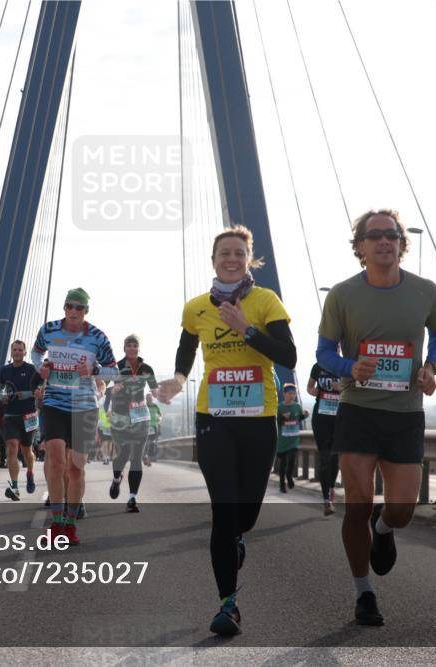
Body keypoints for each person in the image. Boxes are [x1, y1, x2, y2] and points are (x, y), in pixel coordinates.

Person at [156, 225, 296, 636]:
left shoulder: (267, 301)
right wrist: (178, 381)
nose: (231, 258)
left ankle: (238, 537)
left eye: (239, 253)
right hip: (214, 418)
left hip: (258, 418)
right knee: (223, 510)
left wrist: (246, 329)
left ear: (248, 258)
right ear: (214, 259)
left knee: (245, 514)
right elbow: (186, 352)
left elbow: (288, 354)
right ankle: (227, 605)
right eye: (224, 253)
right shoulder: (197, 308)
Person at [316, 209, 436, 626]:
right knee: (356, 506)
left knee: (404, 508)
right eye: (375, 236)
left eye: (391, 235)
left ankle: (385, 529)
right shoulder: (341, 294)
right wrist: (347, 368)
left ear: (401, 244)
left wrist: (432, 366)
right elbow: (324, 353)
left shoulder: (426, 291)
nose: (385, 241)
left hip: (405, 414)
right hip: (358, 411)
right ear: (360, 247)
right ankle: (364, 592)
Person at [32, 288, 117, 545]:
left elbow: (114, 372)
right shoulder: (49, 330)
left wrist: (94, 369)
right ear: (64, 308)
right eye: (70, 306)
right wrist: (41, 368)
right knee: (56, 463)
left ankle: (70, 524)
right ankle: (57, 524)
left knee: (76, 468)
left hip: (84, 407)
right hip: (54, 404)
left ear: (86, 311)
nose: (74, 311)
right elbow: (35, 353)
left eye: (79, 308)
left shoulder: (98, 337)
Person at [107, 334, 158, 512]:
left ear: (138, 348)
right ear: (124, 348)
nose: (132, 348)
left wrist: (162, 392)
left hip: (140, 416)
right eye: (128, 345)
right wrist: (113, 389)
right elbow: (104, 387)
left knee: (136, 457)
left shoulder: (147, 368)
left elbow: (154, 389)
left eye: (134, 345)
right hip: (120, 418)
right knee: (122, 455)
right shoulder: (116, 367)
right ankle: (116, 479)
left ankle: (132, 498)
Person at [0, 340, 43, 500]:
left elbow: (41, 390)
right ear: (11, 352)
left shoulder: (32, 370)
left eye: (20, 350)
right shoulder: (4, 370)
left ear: (25, 352)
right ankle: (15, 486)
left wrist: (29, 394)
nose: (17, 352)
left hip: (28, 416)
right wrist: (1, 397)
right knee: (12, 447)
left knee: (27, 451)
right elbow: (0, 388)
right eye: (14, 350)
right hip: (10, 415)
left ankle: (30, 473)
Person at [308, 359, 342, 515]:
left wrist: (341, 388)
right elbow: (309, 387)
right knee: (325, 458)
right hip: (320, 415)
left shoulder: (344, 365)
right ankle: (326, 500)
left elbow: (355, 387)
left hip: (339, 417)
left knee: (334, 458)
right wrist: (313, 391)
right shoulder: (318, 366)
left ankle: (331, 488)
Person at [275, 383, 308, 493]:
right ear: (284, 394)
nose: (292, 396)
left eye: (294, 394)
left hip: (293, 440)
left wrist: (305, 415)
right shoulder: (279, 407)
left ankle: (289, 477)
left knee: (292, 461)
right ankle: (282, 485)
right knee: (283, 463)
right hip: (282, 440)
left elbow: (298, 419)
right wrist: (283, 418)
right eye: (289, 393)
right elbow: (276, 422)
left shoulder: (297, 406)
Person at [144, 393, 162, 464]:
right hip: (146, 426)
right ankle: (146, 456)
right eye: (148, 398)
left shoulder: (155, 406)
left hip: (154, 426)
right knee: (146, 442)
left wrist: (160, 419)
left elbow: (160, 414)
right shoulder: (144, 406)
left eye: (150, 398)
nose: (150, 399)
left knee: (154, 442)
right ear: (146, 399)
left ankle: (153, 457)